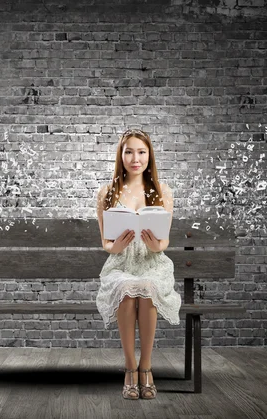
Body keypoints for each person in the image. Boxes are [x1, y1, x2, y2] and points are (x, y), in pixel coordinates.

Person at [95, 128, 181, 400]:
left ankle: (147, 367)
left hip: (152, 262)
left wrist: (157, 245)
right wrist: (115, 246)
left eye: (141, 152)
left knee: (145, 286)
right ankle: (130, 368)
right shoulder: (107, 192)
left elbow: (163, 242)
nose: (136, 158)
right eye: (129, 151)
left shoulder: (162, 191)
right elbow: (106, 244)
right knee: (128, 287)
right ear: (120, 156)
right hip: (121, 264)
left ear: (149, 155)